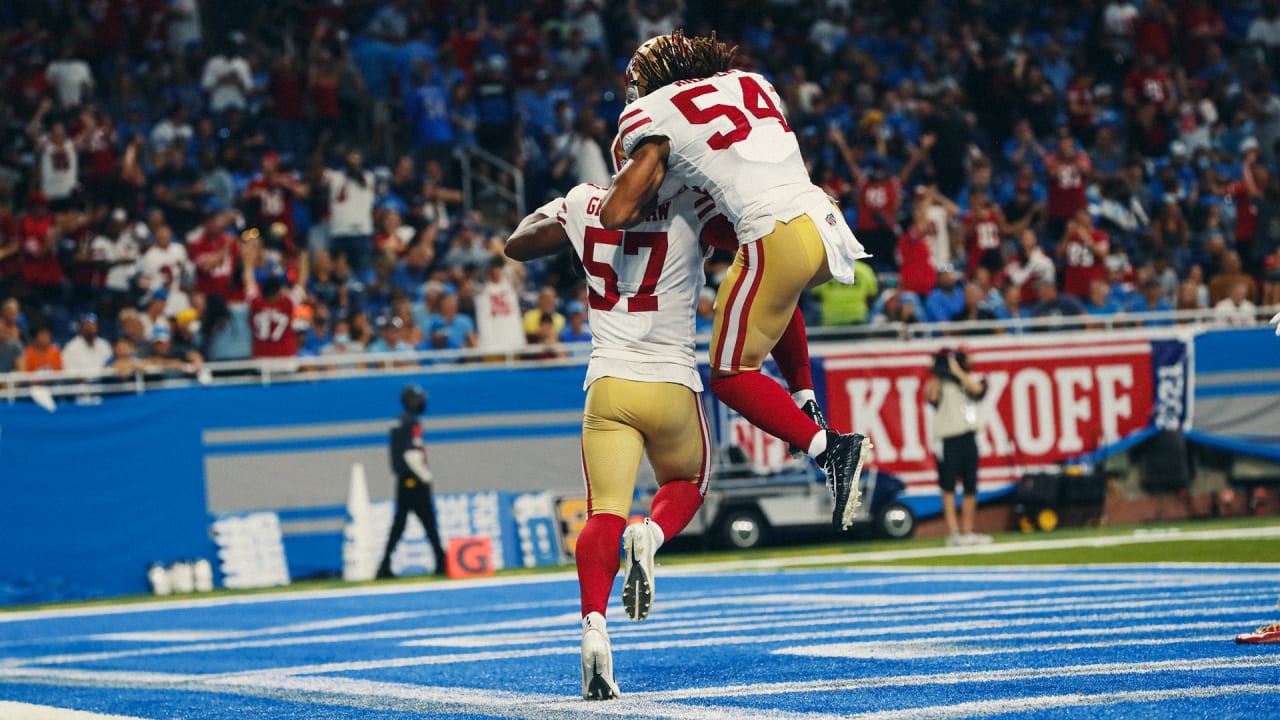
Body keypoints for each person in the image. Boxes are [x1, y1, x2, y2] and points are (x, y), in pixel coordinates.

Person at [599, 31, 872, 536]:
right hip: (825, 220)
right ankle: (805, 398)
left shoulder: (651, 114)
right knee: (769, 287)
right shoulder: (752, 81)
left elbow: (620, 209)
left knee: (729, 374)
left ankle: (831, 450)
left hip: (775, 232)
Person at [377, 384, 448, 580]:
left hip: (403, 479)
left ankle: (385, 565)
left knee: (401, 524)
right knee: (427, 522)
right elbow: (410, 453)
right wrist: (425, 476)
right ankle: (441, 562)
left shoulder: (399, 422)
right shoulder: (411, 422)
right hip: (413, 480)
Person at [924, 348, 991, 547]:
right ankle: (953, 532)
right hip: (948, 440)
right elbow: (932, 397)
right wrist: (938, 372)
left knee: (970, 485)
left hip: (968, 437)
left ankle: (967, 530)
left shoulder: (974, 377)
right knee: (948, 486)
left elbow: (977, 390)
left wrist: (957, 372)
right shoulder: (940, 383)